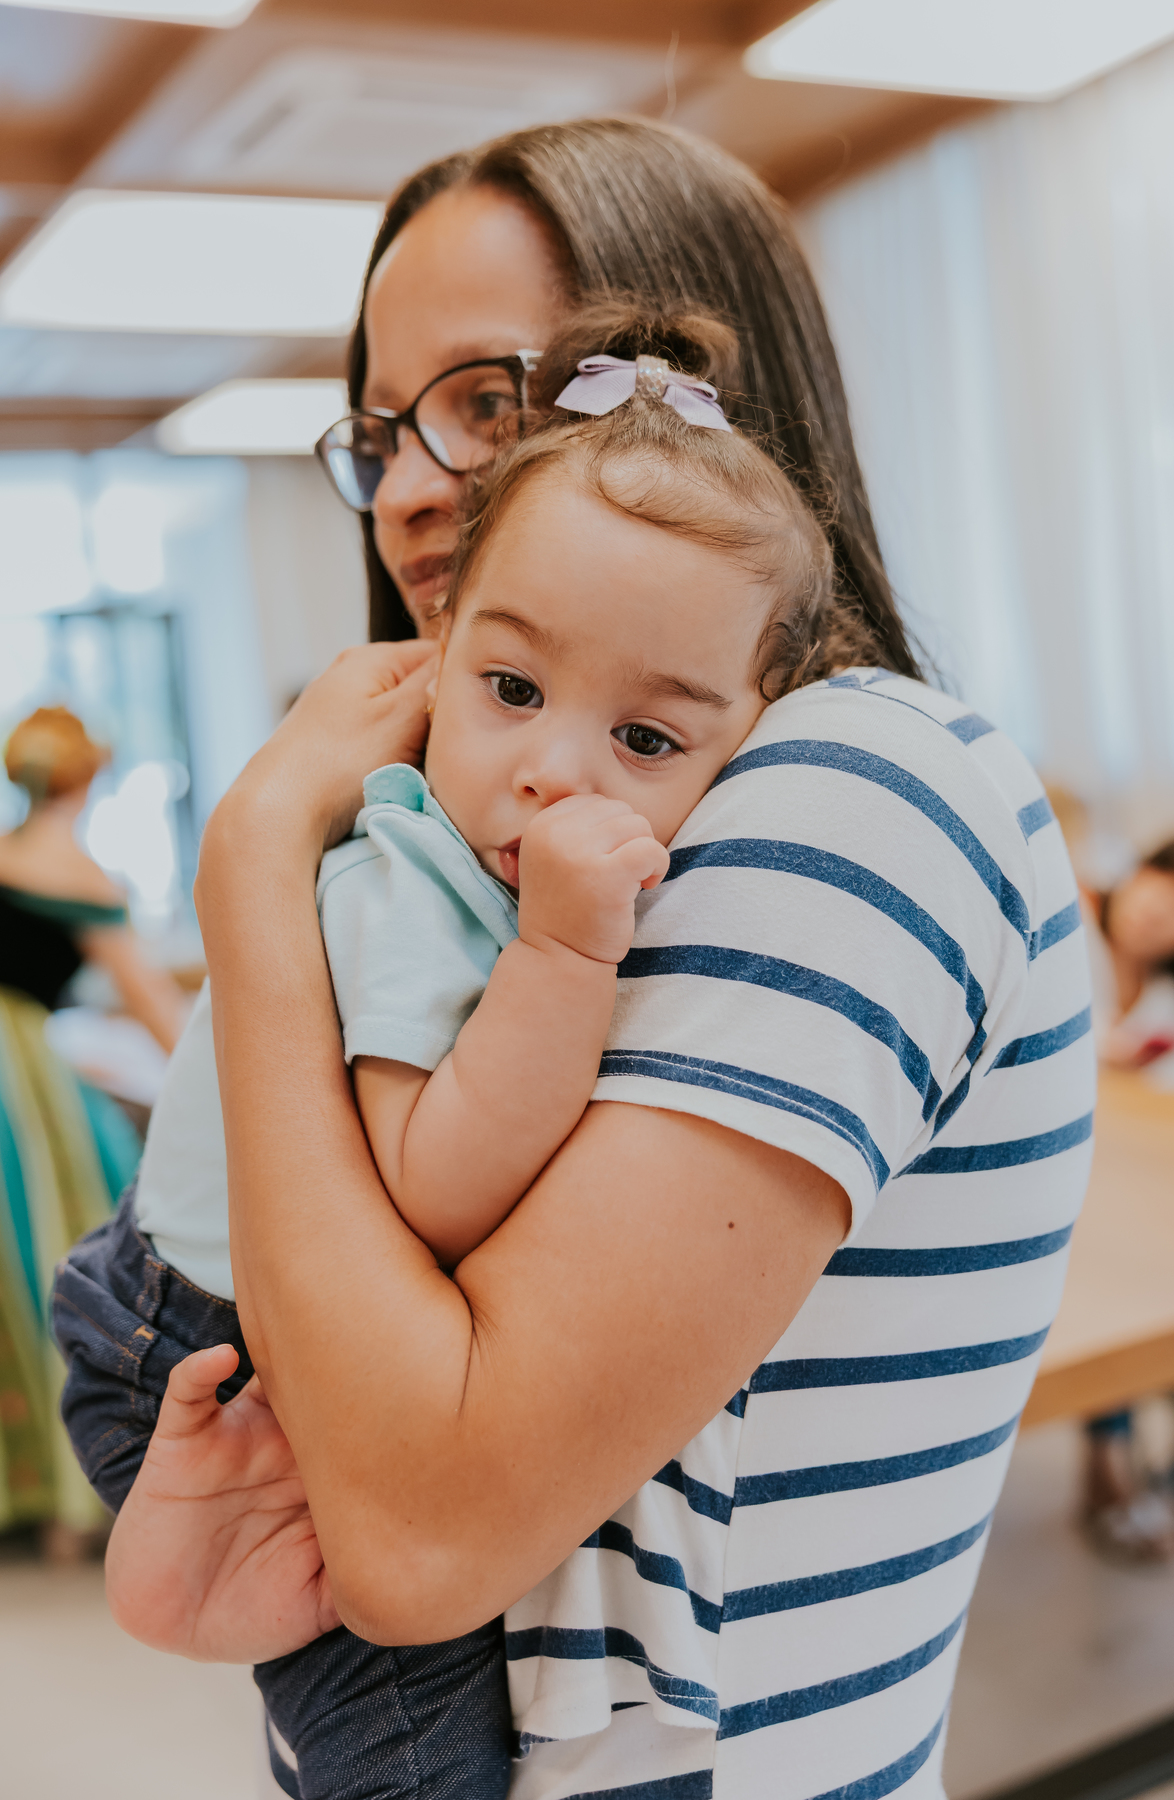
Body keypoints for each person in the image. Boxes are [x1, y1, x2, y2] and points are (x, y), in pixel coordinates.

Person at [92, 120, 1093, 1800]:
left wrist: (255, 867)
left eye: (485, 402)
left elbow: (414, 1533)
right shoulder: (580, 816)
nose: (410, 484)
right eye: (379, 430)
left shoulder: (852, 782)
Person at [56, 305, 840, 1797]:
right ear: (437, 652)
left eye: (651, 743)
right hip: (196, 1334)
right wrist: (562, 955)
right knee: (433, 1760)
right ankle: (224, 1564)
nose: (554, 767)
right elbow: (428, 1188)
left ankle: (208, 1575)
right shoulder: (412, 874)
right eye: (515, 690)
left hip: (214, 1306)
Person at [0, 707, 180, 1551]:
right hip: (21, 1083)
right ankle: (68, 1496)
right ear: (87, 778)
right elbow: (155, 1009)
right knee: (55, 1250)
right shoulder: (78, 874)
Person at [1076, 830, 1174, 1562]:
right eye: (1170, 885)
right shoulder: (1067, 920)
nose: (1167, 913)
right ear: (1144, 869)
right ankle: (1109, 1473)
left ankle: (1112, 1467)